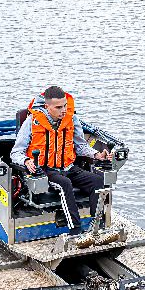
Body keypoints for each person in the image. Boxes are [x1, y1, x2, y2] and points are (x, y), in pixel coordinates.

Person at [10, 86, 111, 233]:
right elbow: (16, 153)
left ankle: (97, 226)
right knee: (65, 184)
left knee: (97, 181)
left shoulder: (72, 119)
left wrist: (97, 155)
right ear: (47, 107)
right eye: (58, 107)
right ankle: (75, 230)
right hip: (47, 170)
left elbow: (81, 146)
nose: (63, 110)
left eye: (65, 106)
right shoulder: (32, 122)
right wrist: (26, 161)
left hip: (69, 167)